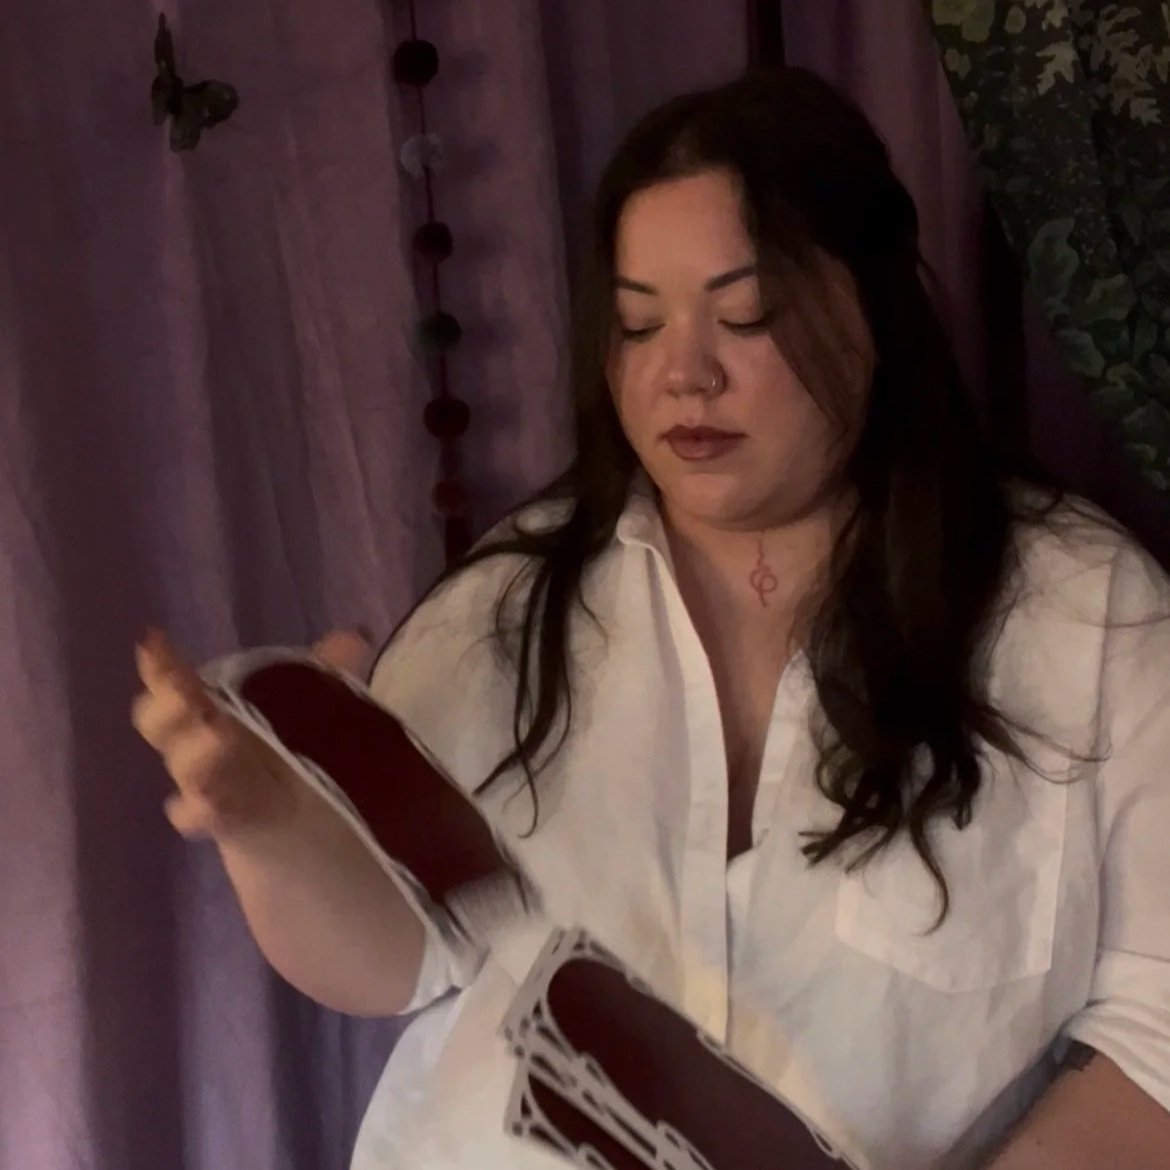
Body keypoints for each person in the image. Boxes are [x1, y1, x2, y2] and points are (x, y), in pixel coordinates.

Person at [131, 67, 1170, 1169]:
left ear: (874, 311)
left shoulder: (1083, 615)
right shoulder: (503, 611)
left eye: (745, 315)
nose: (684, 373)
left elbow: (1158, 1036)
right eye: (637, 324)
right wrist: (269, 824)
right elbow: (392, 961)